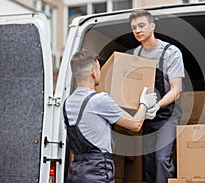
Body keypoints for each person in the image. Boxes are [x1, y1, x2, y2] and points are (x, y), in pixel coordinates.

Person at [62, 49, 157, 183]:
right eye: (99, 69)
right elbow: (135, 125)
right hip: (97, 171)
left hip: (77, 172)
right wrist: (144, 104)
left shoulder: (67, 103)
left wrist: (142, 114)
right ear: (93, 72)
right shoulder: (100, 100)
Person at [129, 9, 185, 183]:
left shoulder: (170, 52)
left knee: (162, 159)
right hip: (145, 116)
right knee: (149, 162)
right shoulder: (134, 55)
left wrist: (157, 106)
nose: (137, 30)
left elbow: (176, 89)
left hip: (167, 114)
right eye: (133, 28)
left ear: (152, 26)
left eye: (141, 25)